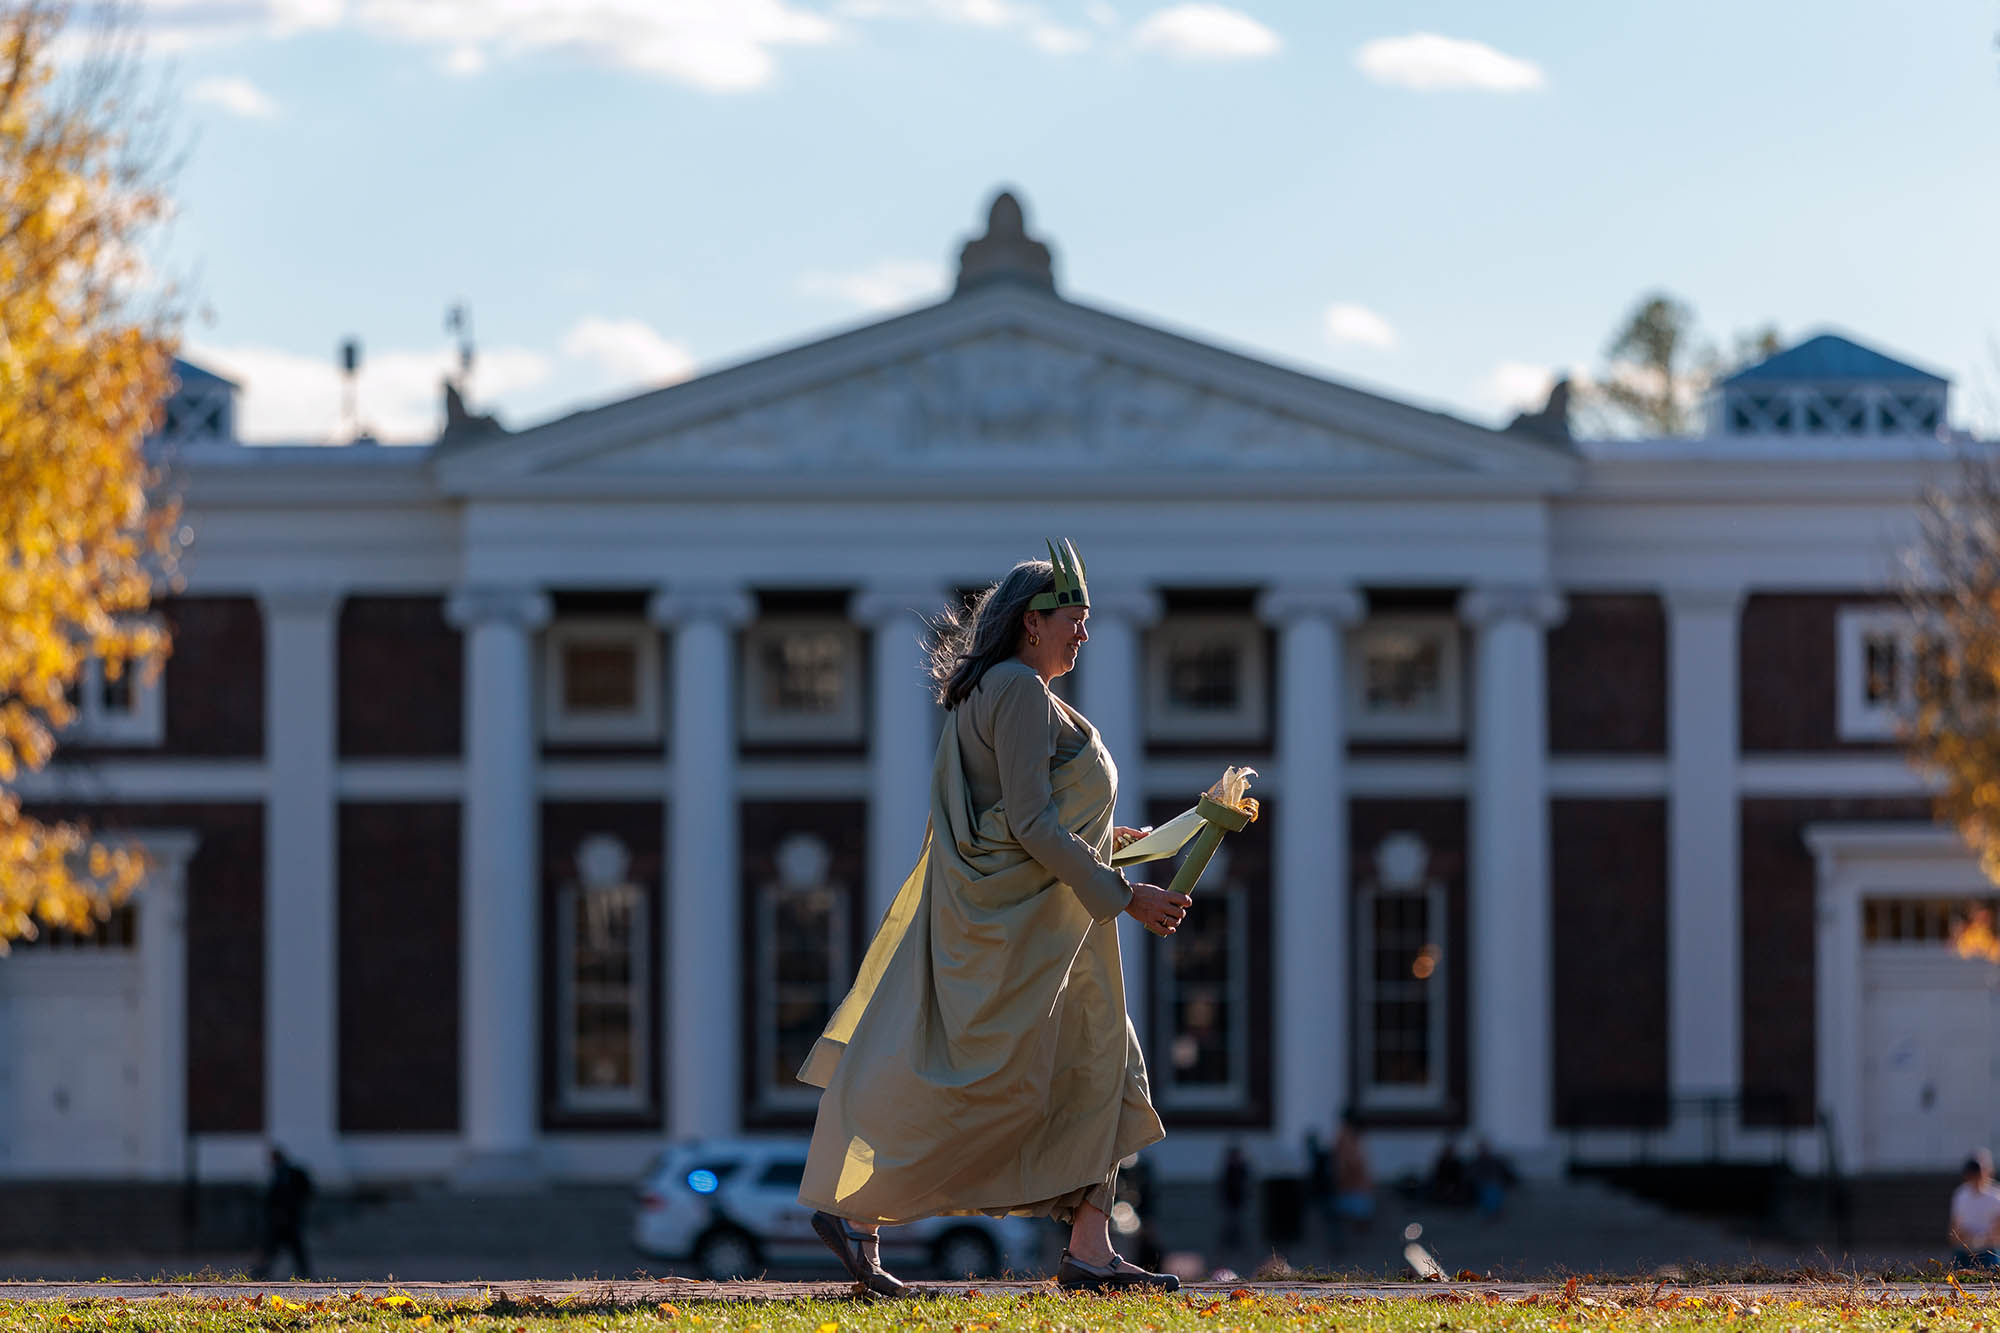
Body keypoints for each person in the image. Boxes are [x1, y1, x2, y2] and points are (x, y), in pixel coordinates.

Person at [796, 541, 1193, 1296]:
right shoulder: (1016, 688)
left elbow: (1018, 814)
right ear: (1030, 623)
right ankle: (860, 1213)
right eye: (1073, 619)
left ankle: (1088, 1248)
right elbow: (1031, 825)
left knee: (1101, 1068)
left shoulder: (1004, 690)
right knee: (1028, 1077)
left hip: (1044, 922)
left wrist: (1118, 841)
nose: (1083, 633)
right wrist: (1125, 894)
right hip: (1031, 929)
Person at [251, 1146, 313, 1280]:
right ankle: (303, 1272)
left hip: (285, 1218)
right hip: (286, 1218)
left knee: (277, 1247)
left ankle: (262, 1271)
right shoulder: (285, 1172)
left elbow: (279, 1196)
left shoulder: (284, 1174)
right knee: (285, 1247)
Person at [1950, 1150, 2000, 1270]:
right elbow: (1954, 1228)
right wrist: (1966, 1238)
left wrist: (1982, 1239)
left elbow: (1997, 1230)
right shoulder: (1960, 1194)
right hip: (1964, 1250)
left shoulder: (1995, 1195)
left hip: (1988, 1251)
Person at [1333, 1114, 1375, 1232]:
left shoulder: (1351, 1141)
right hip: (1351, 1191)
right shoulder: (1345, 1140)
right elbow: (1347, 1168)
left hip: (1357, 1191)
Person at [1219, 1144, 1250, 1250]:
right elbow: (1224, 1187)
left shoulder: (1243, 1169)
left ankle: (1239, 1244)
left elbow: (1246, 1184)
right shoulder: (1229, 1170)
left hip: (1240, 1201)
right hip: (1230, 1201)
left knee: (1239, 1224)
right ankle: (1228, 1244)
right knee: (1230, 1223)